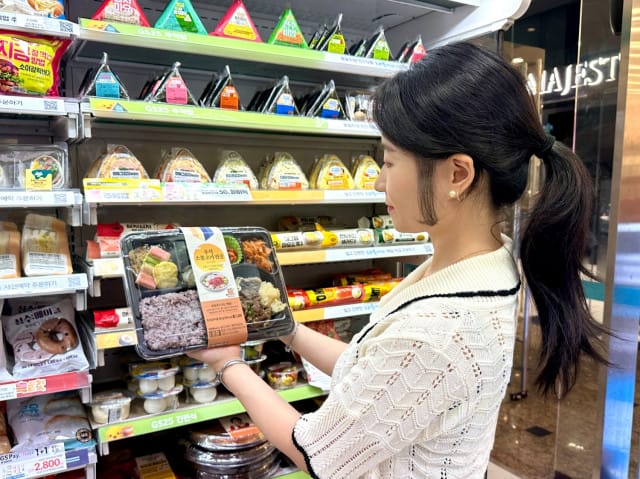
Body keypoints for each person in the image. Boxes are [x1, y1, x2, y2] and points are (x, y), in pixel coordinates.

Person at [188, 42, 609, 478]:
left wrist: (228, 363)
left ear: (457, 174)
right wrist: (285, 329)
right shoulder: (480, 263)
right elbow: (371, 370)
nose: (377, 181)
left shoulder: (438, 328)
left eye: (389, 161)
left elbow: (317, 454)